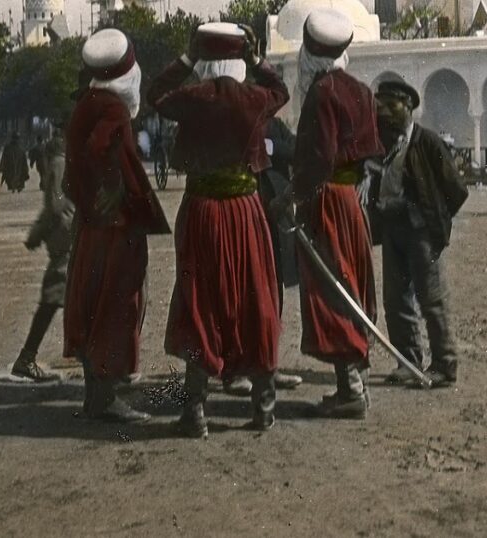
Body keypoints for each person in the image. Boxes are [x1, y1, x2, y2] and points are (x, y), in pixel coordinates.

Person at [149, 21, 288, 437]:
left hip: (203, 212)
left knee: (200, 302)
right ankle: (263, 408)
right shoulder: (255, 97)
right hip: (246, 210)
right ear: (239, 59)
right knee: (255, 298)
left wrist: (187, 57)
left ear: (205, 61)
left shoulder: (192, 97)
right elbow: (281, 89)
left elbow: (154, 93)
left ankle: (195, 412)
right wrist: (255, 57)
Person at [64, 29, 170, 423]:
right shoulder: (114, 112)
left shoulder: (86, 105)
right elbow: (110, 158)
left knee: (91, 303)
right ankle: (106, 397)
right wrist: (115, 190)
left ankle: (97, 393)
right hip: (116, 227)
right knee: (116, 304)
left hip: (92, 225)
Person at [290, 8, 384, 419]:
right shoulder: (361, 90)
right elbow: (370, 153)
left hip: (326, 199)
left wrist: (290, 197)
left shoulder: (321, 92)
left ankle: (351, 389)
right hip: (350, 201)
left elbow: (318, 158)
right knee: (352, 281)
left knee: (333, 287)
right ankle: (353, 382)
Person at [370, 80, 468, 389]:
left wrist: (430, 216)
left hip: (421, 233)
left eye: (391, 105)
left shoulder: (428, 143)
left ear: (409, 107)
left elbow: (456, 190)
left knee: (431, 299)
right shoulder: (385, 143)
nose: (384, 112)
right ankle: (408, 361)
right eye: (380, 105)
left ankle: (444, 363)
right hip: (392, 230)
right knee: (395, 299)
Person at [222, 115, 304, 397]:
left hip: (277, 215)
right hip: (246, 214)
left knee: (274, 291)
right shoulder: (232, 121)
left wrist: (269, 147)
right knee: (243, 292)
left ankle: (268, 364)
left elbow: (296, 149)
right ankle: (235, 369)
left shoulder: (274, 124)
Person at [11, 125, 72, 382]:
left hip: (66, 240)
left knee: (64, 298)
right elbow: (56, 205)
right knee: (52, 300)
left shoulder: (62, 159)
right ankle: (26, 358)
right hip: (66, 242)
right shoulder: (60, 161)